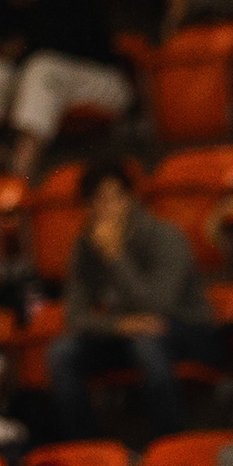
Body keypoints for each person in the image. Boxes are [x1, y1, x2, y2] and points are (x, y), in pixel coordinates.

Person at [47, 165, 209, 443]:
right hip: (127, 334)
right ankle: (89, 449)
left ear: (129, 199)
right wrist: (118, 325)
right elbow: (75, 318)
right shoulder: (85, 247)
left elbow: (159, 306)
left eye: (112, 199)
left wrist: (115, 255)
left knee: (147, 343)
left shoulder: (164, 236)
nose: (105, 209)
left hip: (186, 330)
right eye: (95, 202)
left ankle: (168, 445)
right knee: (61, 353)